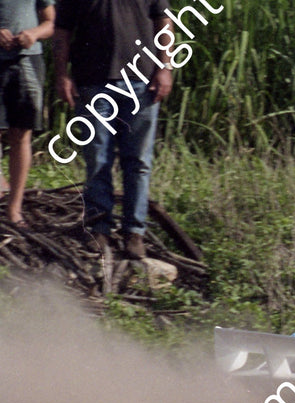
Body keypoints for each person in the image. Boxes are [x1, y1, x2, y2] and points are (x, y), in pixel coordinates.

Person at [52, 0, 172, 258]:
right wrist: (62, 74)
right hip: (93, 82)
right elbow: (62, 30)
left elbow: (163, 21)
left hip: (141, 82)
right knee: (97, 159)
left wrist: (165, 67)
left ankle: (134, 232)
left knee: (138, 161)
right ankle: (99, 228)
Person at [0, 0, 53, 225]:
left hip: (28, 61)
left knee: (21, 135)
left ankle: (14, 208)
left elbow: (51, 22)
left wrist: (33, 33)